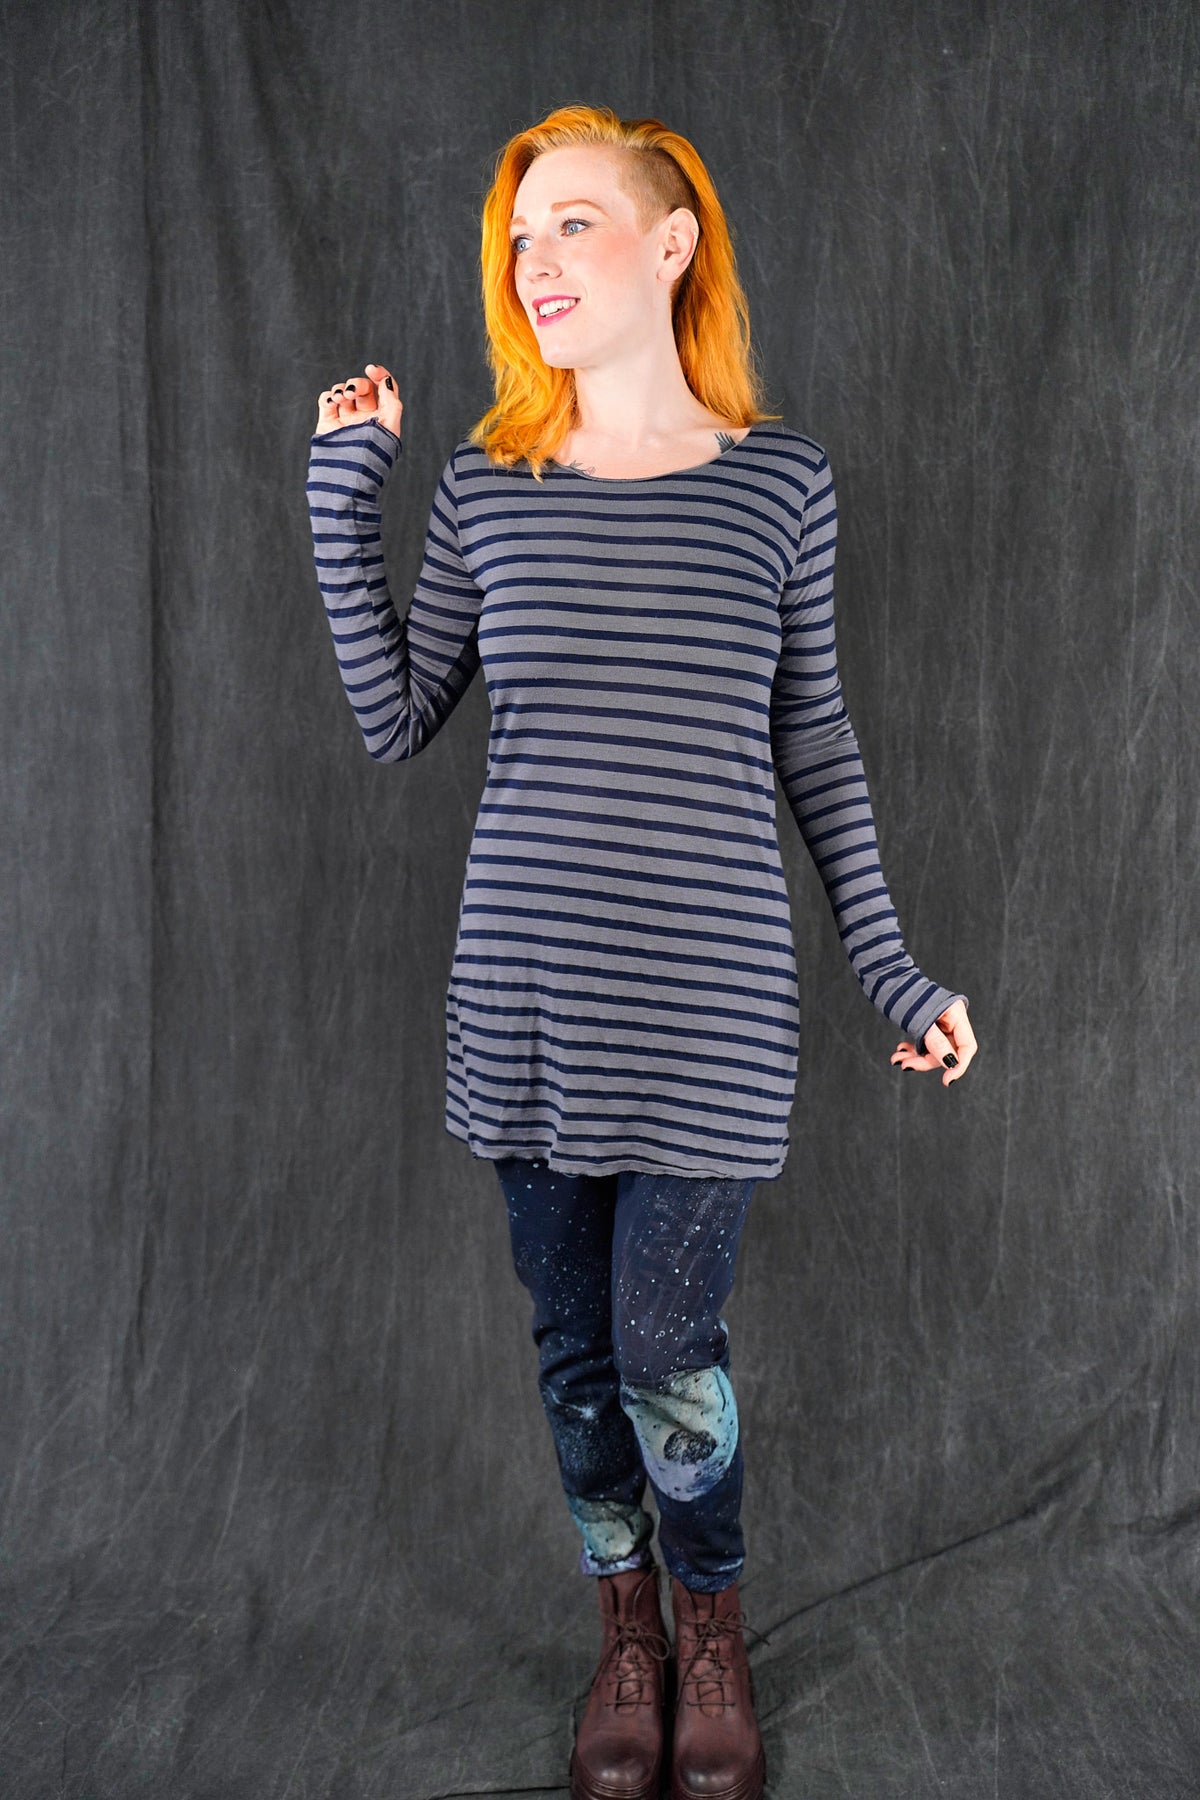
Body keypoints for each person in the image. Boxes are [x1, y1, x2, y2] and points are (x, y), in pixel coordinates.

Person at [306, 102, 976, 1800]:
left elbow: (815, 743)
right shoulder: (488, 486)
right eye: (518, 237)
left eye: (574, 225)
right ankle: (628, 1635)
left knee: (666, 1338)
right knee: (574, 1347)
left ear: (671, 244)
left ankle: (712, 1623)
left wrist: (896, 972)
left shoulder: (780, 483)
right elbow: (396, 716)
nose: (534, 264)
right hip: (526, 998)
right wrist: (343, 495)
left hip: (712, 1005)